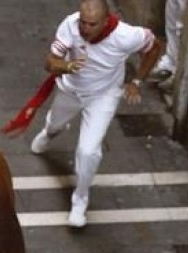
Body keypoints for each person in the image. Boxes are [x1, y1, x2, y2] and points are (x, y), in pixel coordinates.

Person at [28, 0, 161, 228]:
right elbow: (50, 62)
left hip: (103, 97)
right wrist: (67, 67)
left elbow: (155, 47)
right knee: (54, 125)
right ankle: (50, 132)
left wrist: (137, 81)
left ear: (106, 21)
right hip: (71, 90)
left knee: (88, 151)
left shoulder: (127, 35)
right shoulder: (70, 25)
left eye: (92, 24)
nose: (85, 29)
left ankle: (80, 199)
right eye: (83, 22)